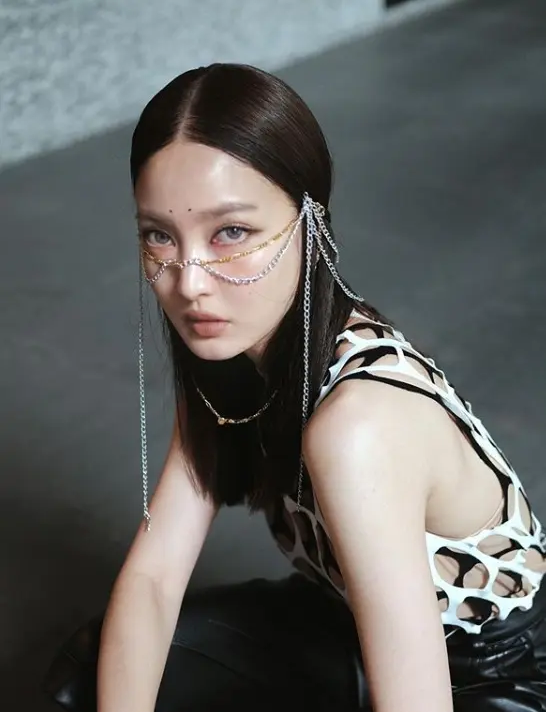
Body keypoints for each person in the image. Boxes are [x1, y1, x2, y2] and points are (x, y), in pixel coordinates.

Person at [44, 63, 546, 712]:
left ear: (311, 223)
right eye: (159, 236)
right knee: (91, 673)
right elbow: (153, 579)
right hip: (346, 625)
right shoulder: (227, 360)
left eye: (231, 232)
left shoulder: (359, 422)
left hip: (493, 676)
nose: (189, 281)